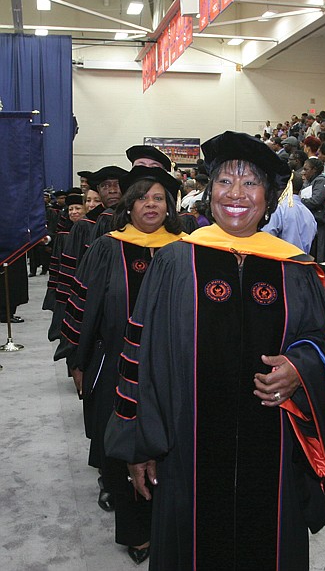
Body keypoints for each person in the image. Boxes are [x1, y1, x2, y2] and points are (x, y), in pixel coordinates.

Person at [104, 131, 325, 571]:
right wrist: (139, 444)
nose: (236, 194)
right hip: (186, 455)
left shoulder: (295, 269)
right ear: (209, 192)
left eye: (250, 183)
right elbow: (138, 357)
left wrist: (301, 369)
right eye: (224, 181)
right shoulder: (175, 262)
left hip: (276, 456)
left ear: (269, 196)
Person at [55, 167, 184, 563]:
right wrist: (77, 359)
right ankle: (135, 531)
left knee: (171, 451)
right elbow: (83, 306)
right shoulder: (109, 247)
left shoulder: (186, 250)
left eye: (159, 198)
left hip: (172, 370)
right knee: (123, 447)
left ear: (169, 207)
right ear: (128, 206)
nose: (151, 204)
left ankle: (167, 525)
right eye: (143, 197)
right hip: (115, 364)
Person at [262, 172, 317, 253]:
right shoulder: (309, 214)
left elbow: (266, 236)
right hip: (301, 262)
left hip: (281, 261)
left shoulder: (278, 208)